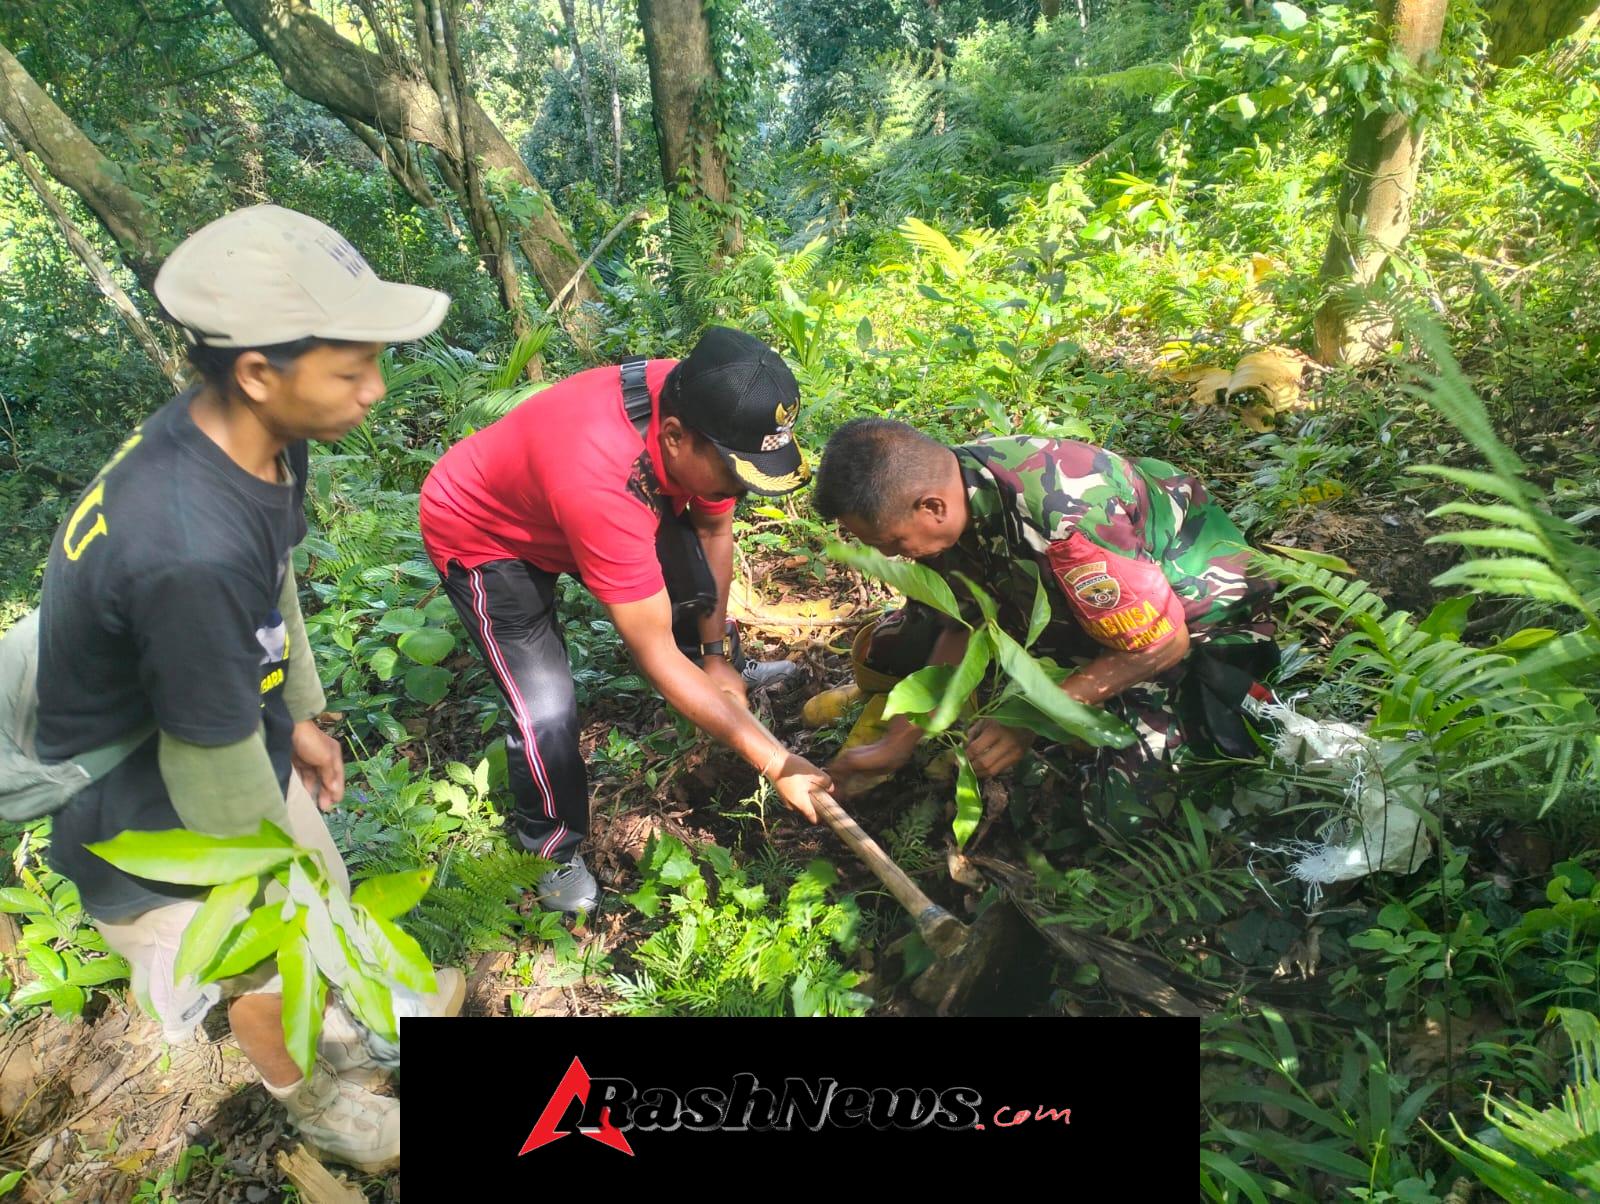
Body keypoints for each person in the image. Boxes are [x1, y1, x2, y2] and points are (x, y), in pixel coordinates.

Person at [34, 205, 464, 1173]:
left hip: (210, 730)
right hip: (140, 802)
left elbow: (273, 579)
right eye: (351, 370)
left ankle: (357, 1019)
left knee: (320, 883)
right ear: (261, 371)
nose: (376, 389)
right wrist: (288, 905)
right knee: (269, 955)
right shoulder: (183, 548)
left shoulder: (255, 438)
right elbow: (218, 774)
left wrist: (300, 712)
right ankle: (323, 1108)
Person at [419, 327, 831, 913]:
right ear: (674, 438)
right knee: (546, 705)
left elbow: (713, 531)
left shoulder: (712, 404)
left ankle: (727, 671)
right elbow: (654, 652)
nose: (742, 485)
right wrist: (775, 760)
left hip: (575, 500)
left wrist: (716, 657)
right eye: (737, 472)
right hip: (487, 533)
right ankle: (553, 847)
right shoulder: (603, 478)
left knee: (689, 584)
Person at [811, 419, 1277, 836]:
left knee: (1120, 815)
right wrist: (901, 740)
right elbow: (960, 627)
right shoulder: (950, 495)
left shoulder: (1065, 523)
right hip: (1066, 608)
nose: (894, 557)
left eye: (894, 542)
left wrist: (1031, 718)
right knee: (886, 650)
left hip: (1191, 623)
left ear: (932, 508)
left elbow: (1161, 645)